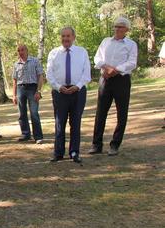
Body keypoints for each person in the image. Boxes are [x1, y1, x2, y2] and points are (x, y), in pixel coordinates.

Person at [88, 17, 138, 156]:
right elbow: (97, 58)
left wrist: (115, 69)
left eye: (121, 27)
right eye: (116, 26)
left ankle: (115, 144)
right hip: (105, 79)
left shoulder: (131, 44)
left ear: (127, 29)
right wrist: (106, 67)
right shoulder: (105, 41)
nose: (117, 29)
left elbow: (132, 62)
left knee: (122, 113)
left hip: (121, 80)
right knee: (100, 112)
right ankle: (96, 144)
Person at [46, 27, 91, 163]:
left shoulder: (82, 52)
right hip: (60, 92)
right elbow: (49, 74)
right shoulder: (54, 53)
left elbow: (86, 73)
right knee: (60, 123)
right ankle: (58, 152)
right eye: (63, 36)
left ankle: (74, 152)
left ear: (73, 37)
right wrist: (59, 87)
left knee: (75, 122)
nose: (65, 39)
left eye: (68, 36)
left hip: (78, 91)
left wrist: (77, 86)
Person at [12, 44, 44, 144]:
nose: (20, 52)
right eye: (18, 50)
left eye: (22, 50)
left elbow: (40, 76)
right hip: (21, 88)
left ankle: (38, 136)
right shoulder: (16, 64)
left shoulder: (34, 61)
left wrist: (38, 91)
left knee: (34, 113)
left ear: (27, 50)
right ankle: (25, 134)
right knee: (22, 113)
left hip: (32, 88)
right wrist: (14, 95)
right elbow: (14, 80)